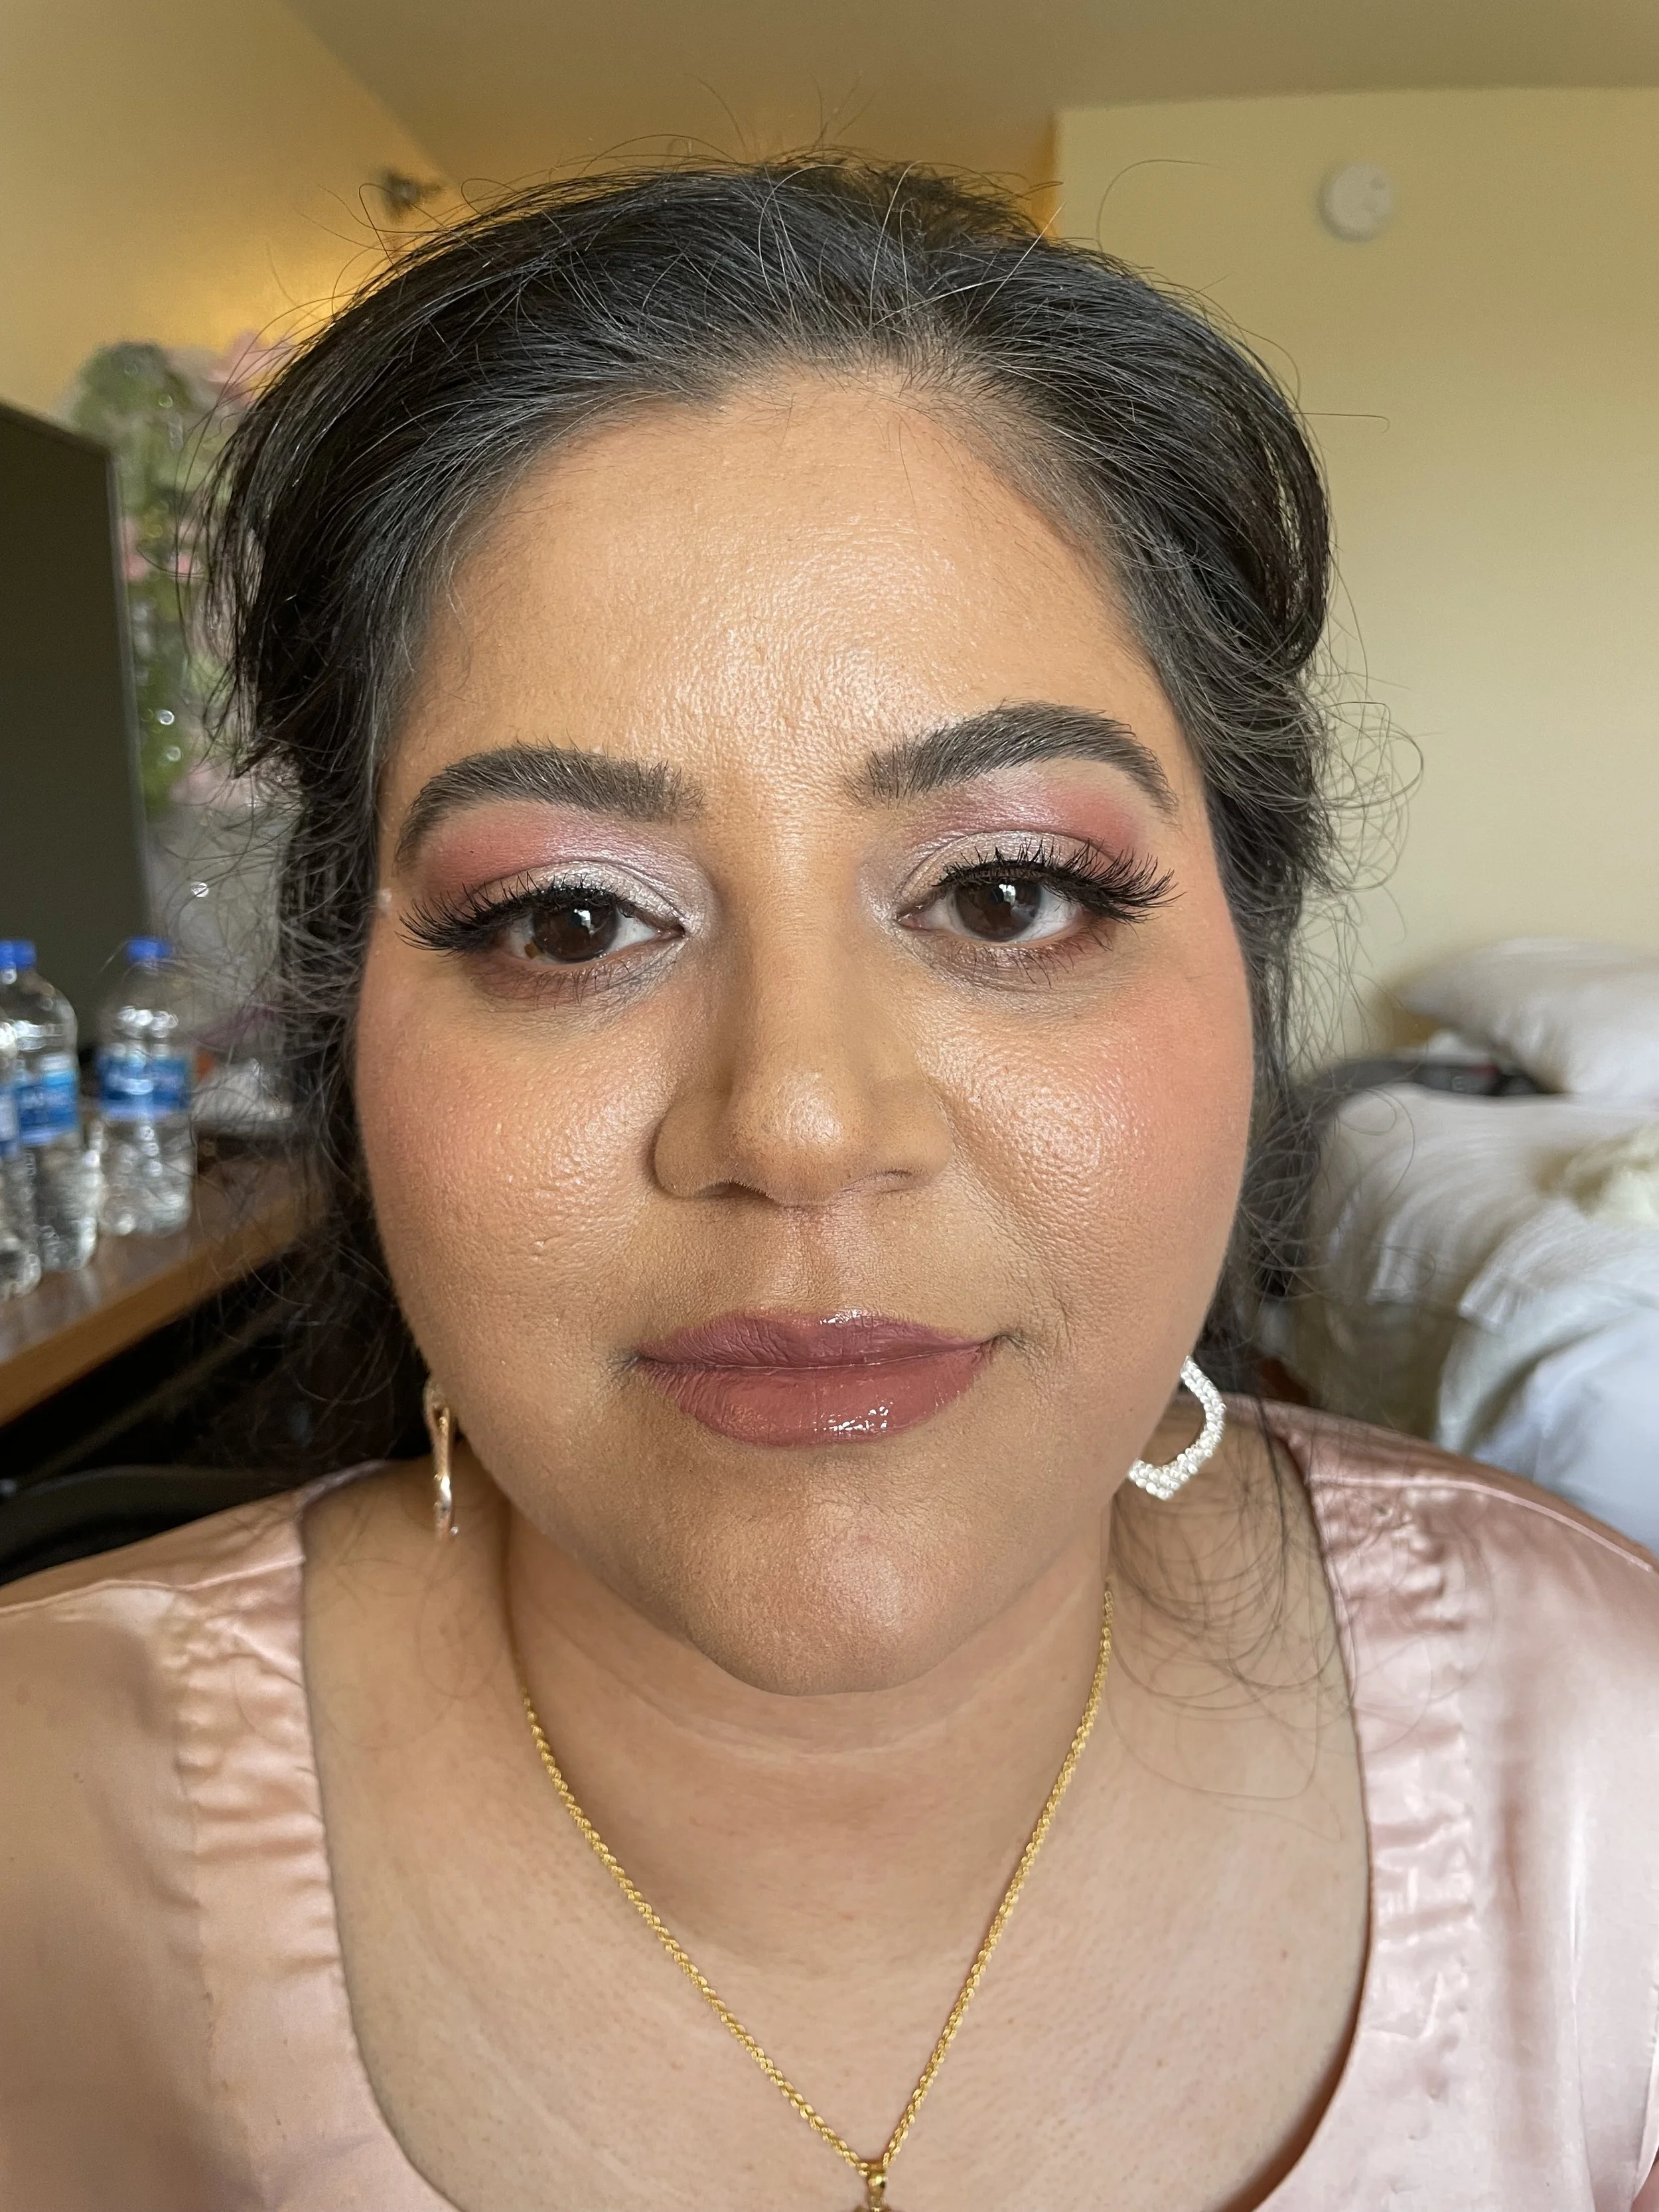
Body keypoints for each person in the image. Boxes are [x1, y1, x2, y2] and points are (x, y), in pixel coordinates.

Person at [2, 159, 1656, 2212]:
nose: (793, 1122)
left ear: (1251, 956)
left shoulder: (1595, 1758)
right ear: (343, 1013)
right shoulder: (37, 1833)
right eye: (569, 919)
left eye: (1006, 889)